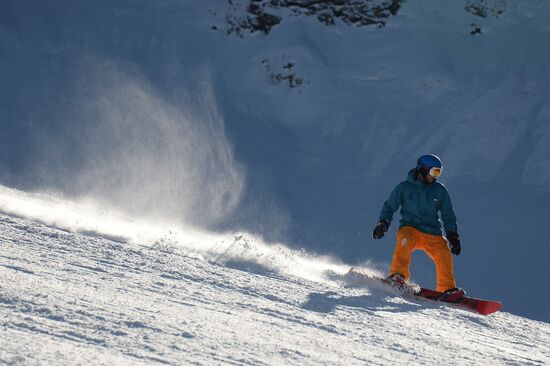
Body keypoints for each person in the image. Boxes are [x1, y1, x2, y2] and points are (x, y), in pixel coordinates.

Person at [372, 154, 465, 301]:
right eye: (434, 172)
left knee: (443, 252)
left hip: (432, 232)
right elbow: (389, 206)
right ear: (422, 170)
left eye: (438, 173)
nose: (435, 177)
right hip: (410, 229)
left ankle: (446, 288)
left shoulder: (440, 190)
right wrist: (383, 223)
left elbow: (448, 214)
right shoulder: (404, 188)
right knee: (404, 241)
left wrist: (453, 234)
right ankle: (397, 277)